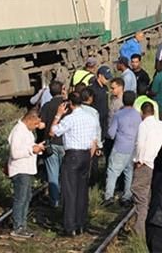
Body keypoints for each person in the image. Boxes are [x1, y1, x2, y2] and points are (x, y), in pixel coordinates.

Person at [50, 92, 99, 236]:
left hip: (72, 156)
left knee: (70, 191)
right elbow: (94, 141)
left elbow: (53, 132)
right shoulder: (91, 118)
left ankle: (70, 226)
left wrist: (58, 115)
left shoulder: (69, 119)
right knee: (82, 191)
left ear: (70, 104)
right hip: (86, 154)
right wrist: (89, 157)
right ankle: (81, 223)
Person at [132, 102, 162, 237]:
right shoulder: (161, 125)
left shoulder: (143, 125)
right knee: (153, 196)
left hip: (145, 164)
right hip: (159, 166)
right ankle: (152, 227)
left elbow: (140, 144)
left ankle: (140, 231)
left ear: (142, 113)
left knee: (141, 195)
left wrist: (139, 160)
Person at [7, 109, 46, 238]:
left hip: (27, 169)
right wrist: (31, 150)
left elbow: (28, 146)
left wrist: (37, 147)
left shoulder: (26, 131)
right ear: (29, 119)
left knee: (27, 197)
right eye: (35, 124)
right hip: (20, 170)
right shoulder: (18, 131)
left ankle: (22, 224)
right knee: (21, 198)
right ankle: (17, 226)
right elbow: (15, 153)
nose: (37, 126)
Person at [104, 91, 141, 207]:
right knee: (129, 172)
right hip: (132, 147)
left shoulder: (119, 115)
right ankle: (127, 196)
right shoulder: (138, 115)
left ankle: (109, 196)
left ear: (123, 100)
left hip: (120, 146)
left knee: (112, 171)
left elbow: (111, 134)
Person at [38, 81, 66, 208]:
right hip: (66, 143)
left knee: (53, 174)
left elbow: (42, 125)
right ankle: (65, 199)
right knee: (65, 173)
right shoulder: (67, 105)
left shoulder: (47, 106)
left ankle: (55, 202)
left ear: (50, 92)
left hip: (51, 143)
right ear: (62, 90)